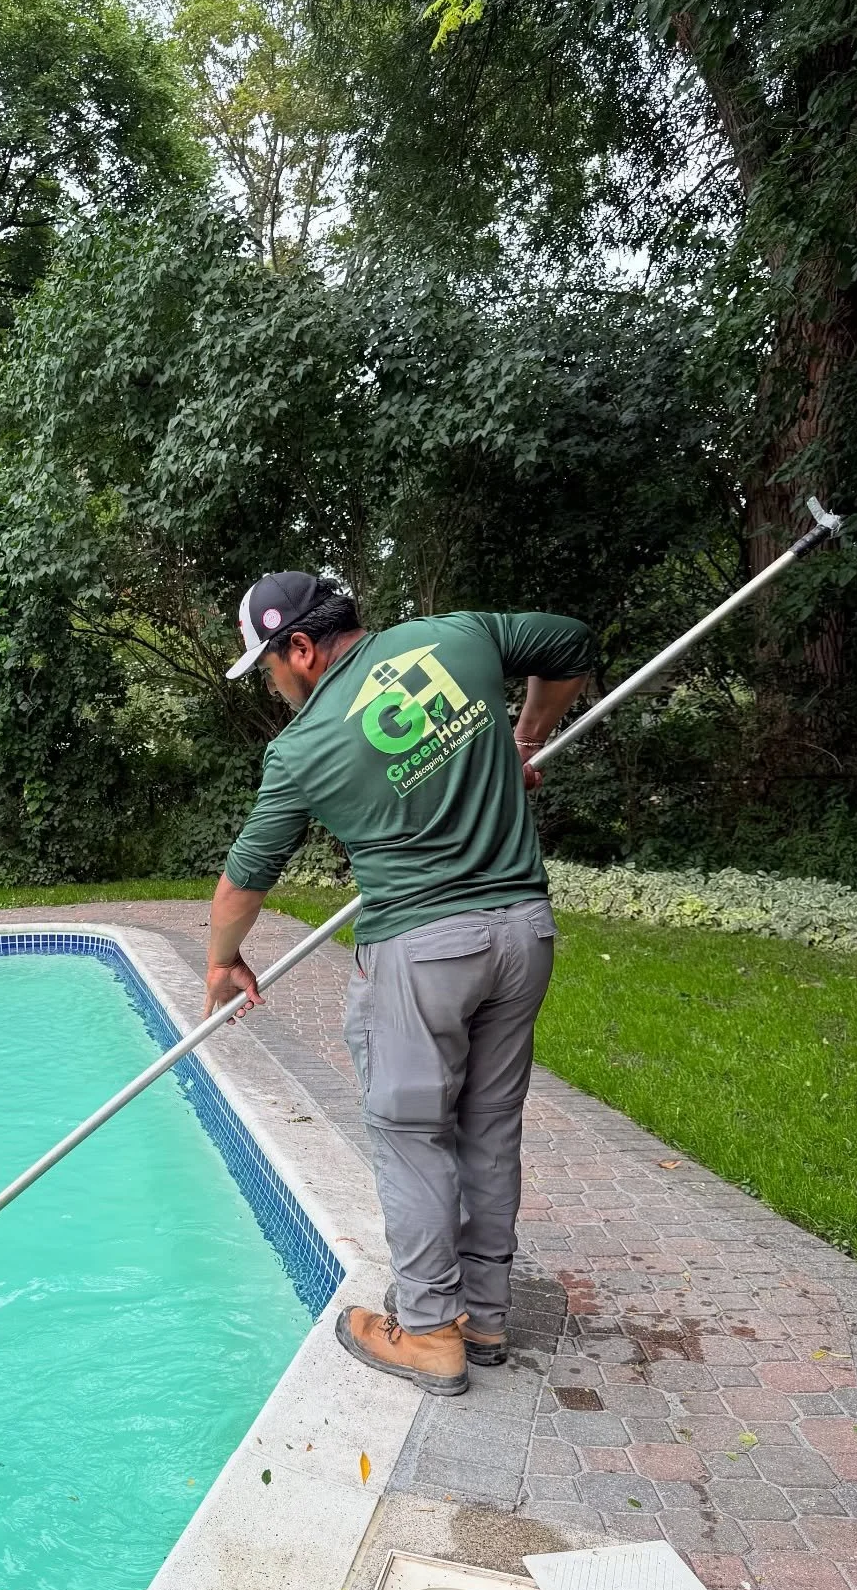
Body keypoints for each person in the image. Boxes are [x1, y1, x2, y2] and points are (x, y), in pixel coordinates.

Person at [203, 570, 594, 1397]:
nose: (274, 683)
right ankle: (484, 1316)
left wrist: (222, 960)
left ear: (301, 648)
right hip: (525, 930)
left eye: (270, 665)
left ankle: (426, 1332)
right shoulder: (454, 638)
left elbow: (245, 881)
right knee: (489, 1127)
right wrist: (525, 736)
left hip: (422, 953)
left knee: (413, 1136)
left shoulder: (303, 748)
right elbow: (568, 642)